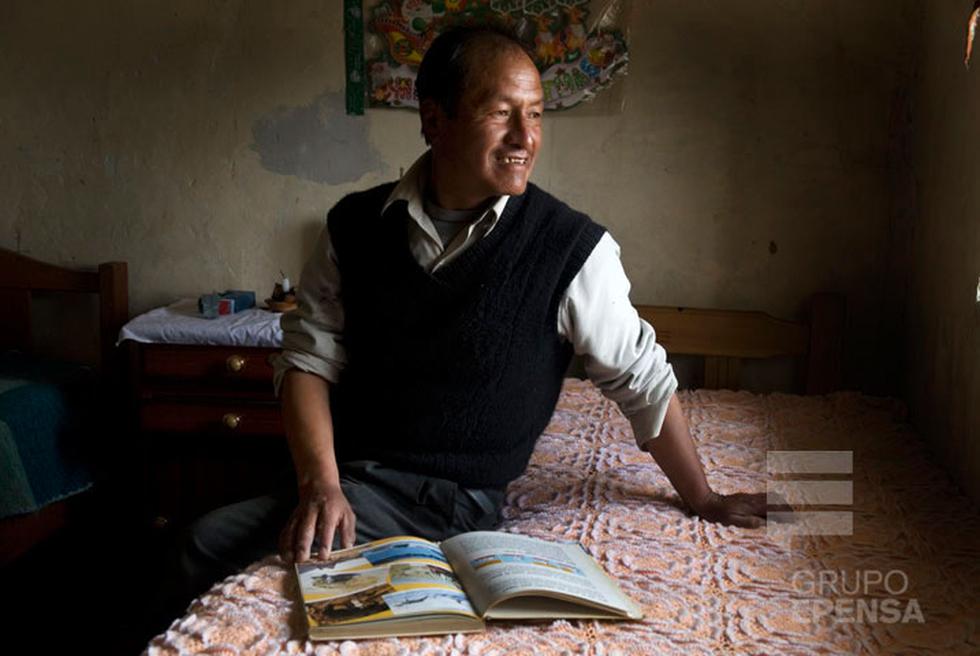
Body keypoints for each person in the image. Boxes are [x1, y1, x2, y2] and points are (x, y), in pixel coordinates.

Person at [179, 25, 768, 596]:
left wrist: (704, 498)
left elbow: (642, 381)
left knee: (201, 546)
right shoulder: (355, 226)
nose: (524, 138)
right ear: (434, 120)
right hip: (346, 470)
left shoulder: (568, 250)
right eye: (501, 113)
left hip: (449, 499)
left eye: (535, 114)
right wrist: (321, 484)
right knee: (200, 528)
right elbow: (308, 359)